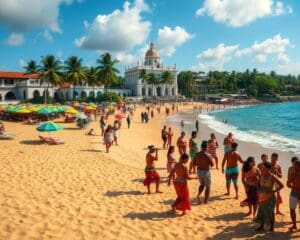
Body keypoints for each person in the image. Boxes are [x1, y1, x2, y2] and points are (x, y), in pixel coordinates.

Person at [255, 162, 284, 232]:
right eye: (262, 168)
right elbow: (258, 183)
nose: (262, 169)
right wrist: (258, 189)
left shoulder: (272, 176)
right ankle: (261, 226)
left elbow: (282, 185)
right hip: (262, 197)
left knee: (270, 212)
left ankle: (272, 227)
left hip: (270, 198)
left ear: (268, 169)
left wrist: (274, 191)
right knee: (261, 211)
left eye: (264, 168)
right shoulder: (262, 175)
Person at [287, 157, 300, 231]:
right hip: (294, 193)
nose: (293, 167)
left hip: (294, 192)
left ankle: (294, 225)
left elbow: (288, 184)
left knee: (292, 209)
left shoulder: (293, 174)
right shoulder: (293, 174)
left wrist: (293, 186)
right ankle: (294, 225)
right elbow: (288, 184)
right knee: (292, 209)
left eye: (295, 165)